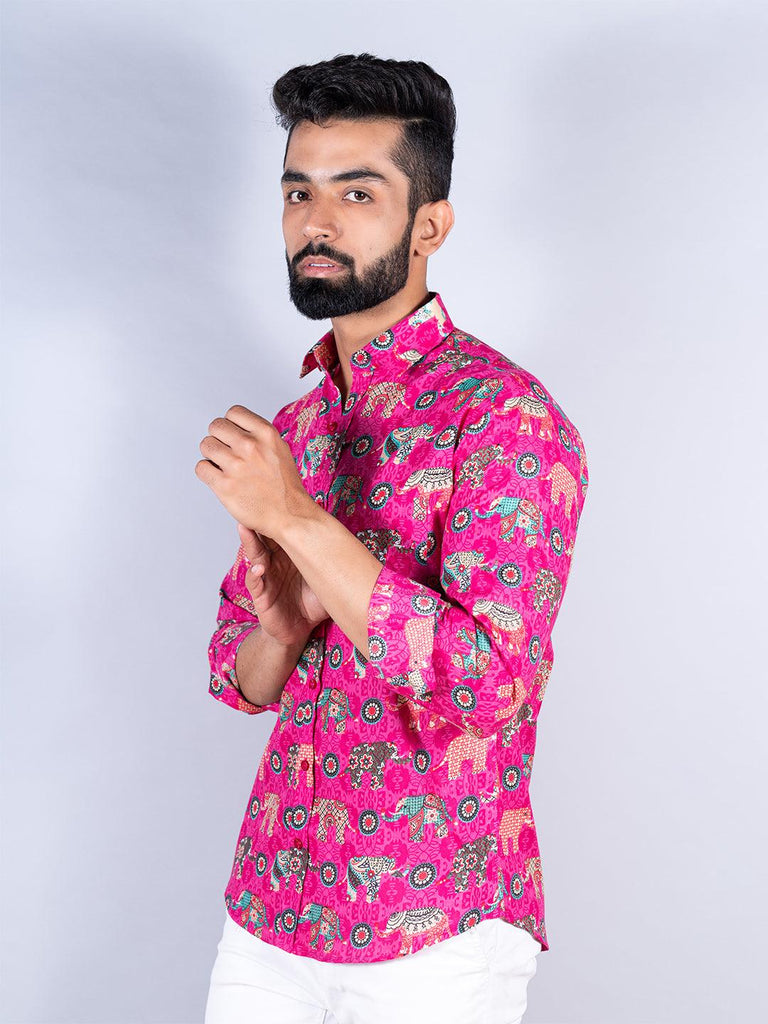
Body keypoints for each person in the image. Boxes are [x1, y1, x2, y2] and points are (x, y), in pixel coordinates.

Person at [196, 52, 589, 1024]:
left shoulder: (505, 418)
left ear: (430, 226)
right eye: (298, 191)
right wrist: (282, 628)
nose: (316, 222)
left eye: (357, 192)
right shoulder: (296, 430)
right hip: (271, 910)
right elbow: (239, 679)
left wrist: (298, 518)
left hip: (436, 928)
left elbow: (490, 689)